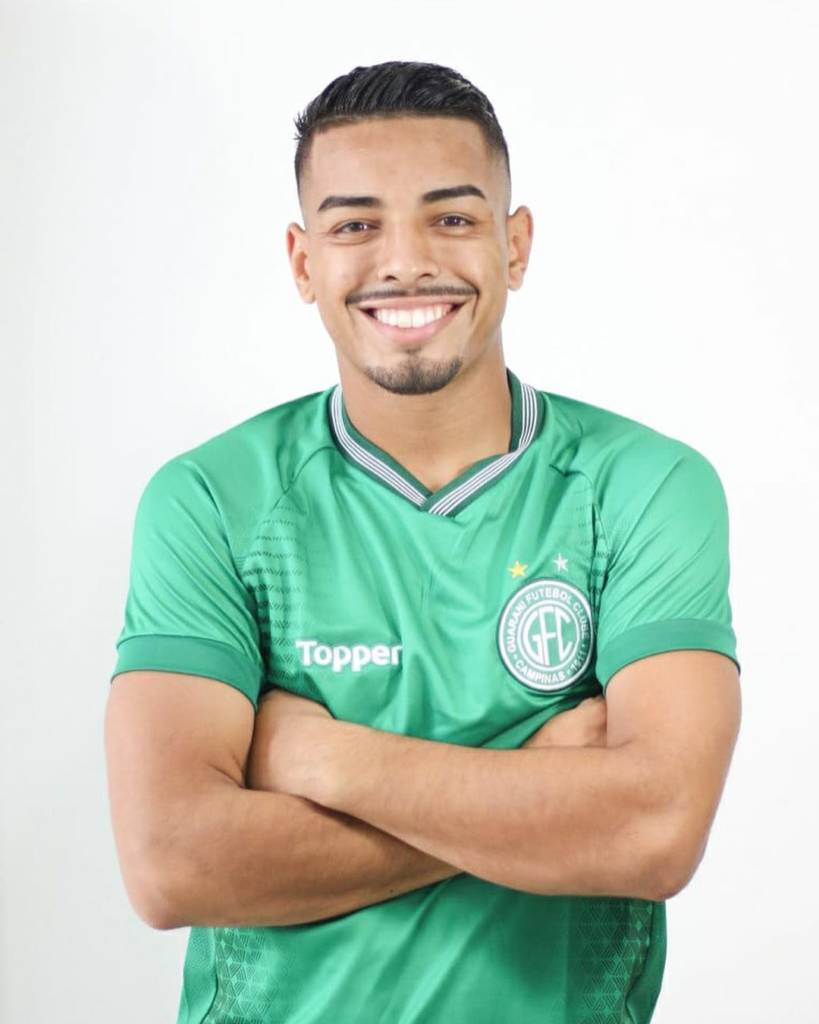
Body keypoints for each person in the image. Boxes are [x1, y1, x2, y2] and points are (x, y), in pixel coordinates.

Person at [105, 60, 742, 1024]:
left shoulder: (642, 488)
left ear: (514, 245)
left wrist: (324, 759)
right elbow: (171, 863)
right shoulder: (213, 500)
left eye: (449, 217)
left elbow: (652, 833)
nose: (404, 262)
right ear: (302, 262)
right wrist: (539, 784)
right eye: (354, 225)